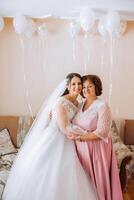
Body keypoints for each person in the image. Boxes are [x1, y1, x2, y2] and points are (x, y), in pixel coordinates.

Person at [2, 73, 98, 200]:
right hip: (55, 137)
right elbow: (65, 128)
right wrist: (86, 134)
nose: (77, 86)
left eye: (79, 84)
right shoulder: (60, 102)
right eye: (73, 84)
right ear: (68, 86)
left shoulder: (79, 103)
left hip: (70, 139)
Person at [68, 75, 123, 200]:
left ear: (96, 87)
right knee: (84, 184)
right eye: (84, 87)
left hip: (97, 150)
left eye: (90, 86)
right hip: (81, 151)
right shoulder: (80, 105)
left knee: (97, 183)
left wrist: (81, 138)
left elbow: (103, 132)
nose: (86, 89)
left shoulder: (102, 105)